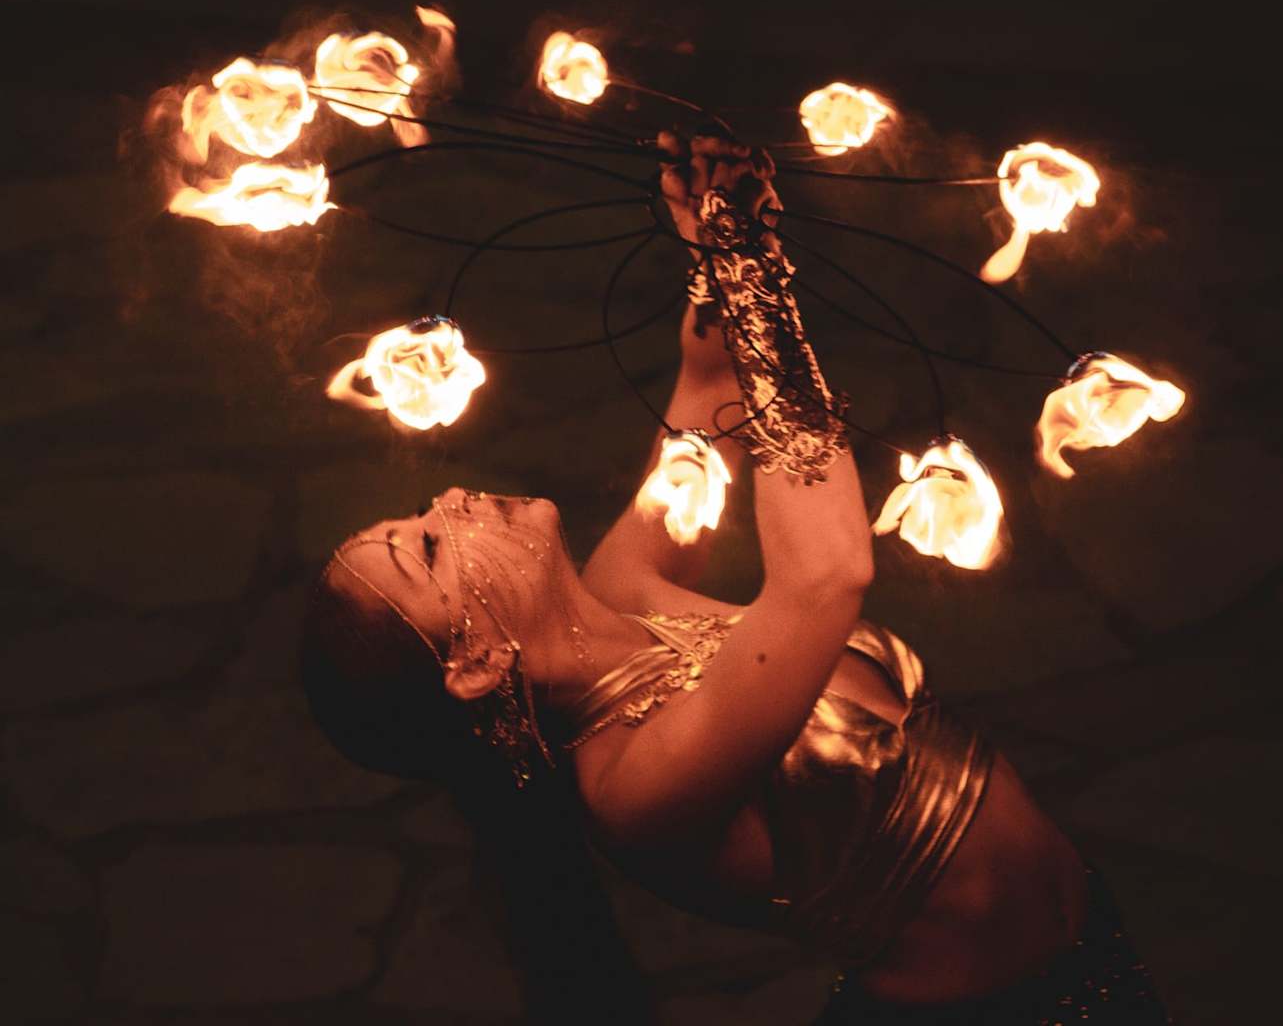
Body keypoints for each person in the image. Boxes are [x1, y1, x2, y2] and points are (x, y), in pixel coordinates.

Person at [302, 133, 1171, 1024]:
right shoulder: (630, 786)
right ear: (477, 663)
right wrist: (751, 275)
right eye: (426, 550)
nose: (449, 500)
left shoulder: (626, 581)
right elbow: (824, 577)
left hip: (1097, 942)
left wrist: (711, 245)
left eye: (418, 512)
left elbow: (713, 380)